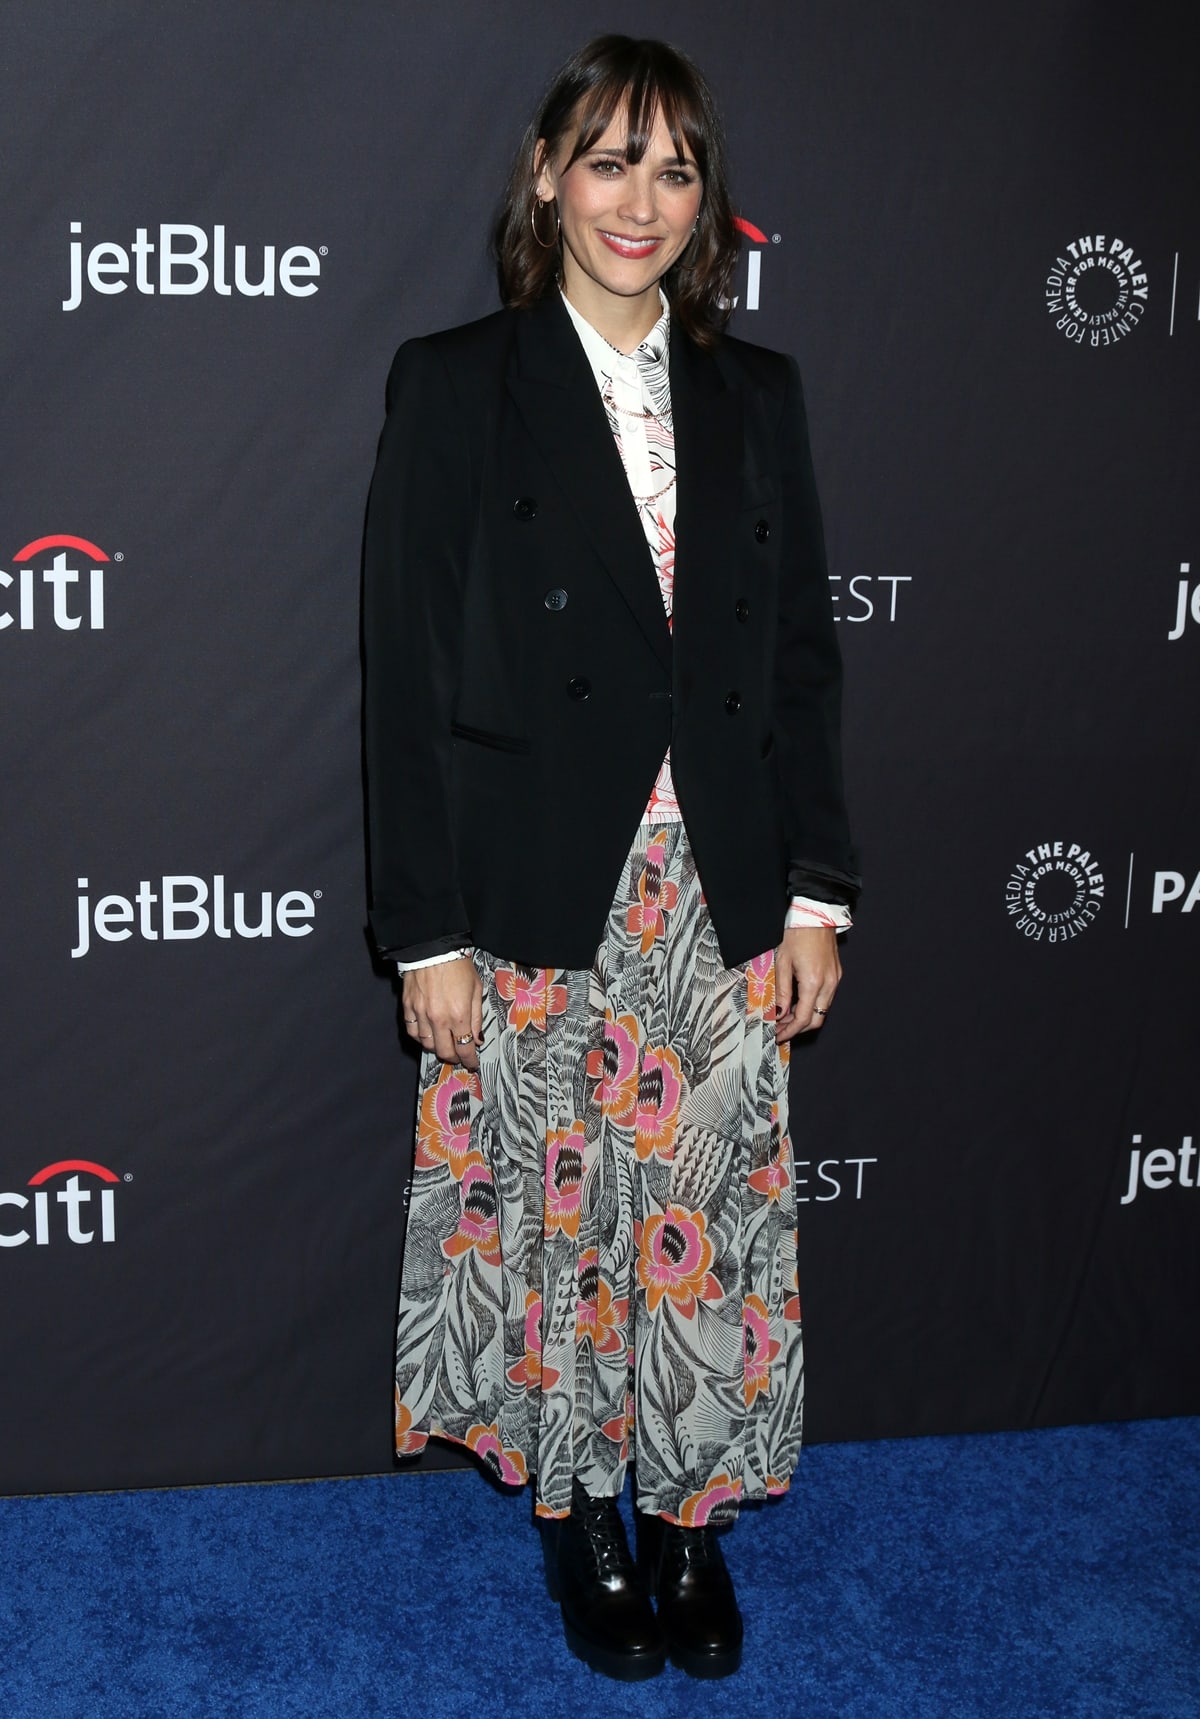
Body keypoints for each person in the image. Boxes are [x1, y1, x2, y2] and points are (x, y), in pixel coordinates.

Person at [362, 34, 859, 1683]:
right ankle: (580, 1517)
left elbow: (800, 660)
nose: (639, 199)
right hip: (534, 886)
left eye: (676, 167)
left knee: (703, 1219)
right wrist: (421, 925)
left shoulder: (756, 395)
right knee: (562, 1220)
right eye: (609, 159)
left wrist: (816, 892)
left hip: (717, 883)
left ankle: (689, 1528)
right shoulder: (456, 382)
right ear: (547, 175)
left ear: (707, 200)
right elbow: (407, 666)